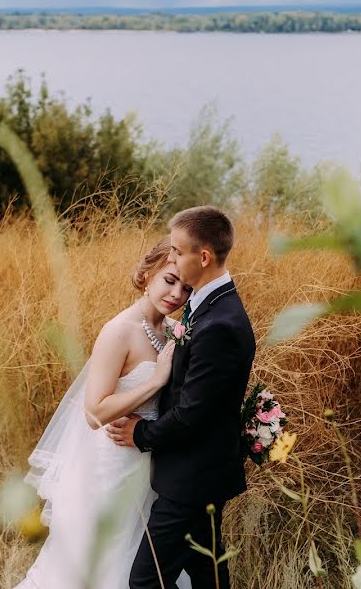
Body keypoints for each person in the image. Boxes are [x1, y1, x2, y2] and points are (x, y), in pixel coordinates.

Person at [14, 236, 193, 589]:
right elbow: (94, 412)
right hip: (107, 470)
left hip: (147, 467)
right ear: (147, 275)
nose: (176, 294)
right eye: (169, 280)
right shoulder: (118, 332)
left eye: (186, 288)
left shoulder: (173, 332)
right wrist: (155, 380)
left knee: (141, 563)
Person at [107, 206, 256, 589]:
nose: (170, 256)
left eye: (176, 251)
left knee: (145, 581)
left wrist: (139, 434)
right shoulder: (207, 306)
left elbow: (191, 414)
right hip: (198, 474)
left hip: (192, 480)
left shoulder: (219, 323)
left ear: (202, 257)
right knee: (208, 572)